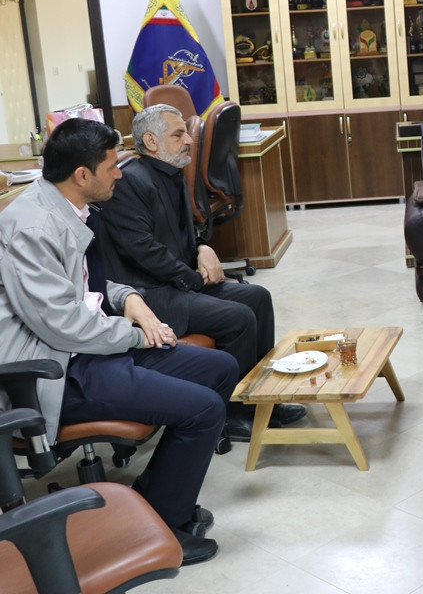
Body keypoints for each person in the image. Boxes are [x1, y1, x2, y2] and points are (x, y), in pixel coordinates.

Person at [0, 118, 238, 565]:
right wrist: (135, 335)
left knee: (220, 367)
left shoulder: (69, 207)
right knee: (204, 410)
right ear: (82, 175)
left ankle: (152, 499)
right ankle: (162, 526)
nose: (120, 175)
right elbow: (61, 324)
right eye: (112, 166)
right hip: (56, 370)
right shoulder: (31, 227)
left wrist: (128, 298)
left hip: (89, 349)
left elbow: (84, 283)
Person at [96, 104, 304, 441]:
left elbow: (187, 229)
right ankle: (232, 414)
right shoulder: (129, 182)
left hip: (176, 280)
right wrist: (192, 278)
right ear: (151, 141)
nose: (190, 140)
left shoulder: (172, 171)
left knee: (258, 297)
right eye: (178, 134)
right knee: (238, 318)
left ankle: (262, 398)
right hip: (151, 294)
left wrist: (203, 247)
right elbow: (143, 250)